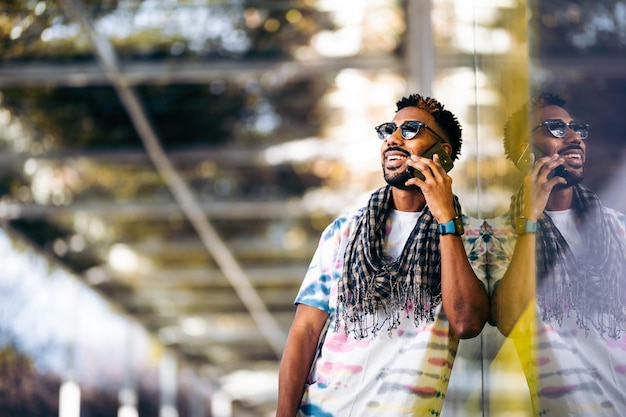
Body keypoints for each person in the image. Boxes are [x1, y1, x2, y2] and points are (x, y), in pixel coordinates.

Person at [276, 93, 490, 417]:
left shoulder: (469, 239)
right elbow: (305, 331)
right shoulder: (344, 232)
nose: (392, 139)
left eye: (410, 130)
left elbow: (466, 322)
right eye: (389, 130)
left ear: (442, 154)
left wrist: (447, 220)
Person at [487, 92, 626, 416]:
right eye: (556, 128)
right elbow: (509, 320)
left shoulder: (618, 230)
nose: (575, 137)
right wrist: (530, 220)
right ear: (525, 152)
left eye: (576, 129)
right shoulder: (498, 237)